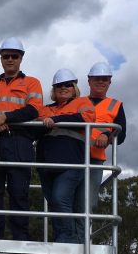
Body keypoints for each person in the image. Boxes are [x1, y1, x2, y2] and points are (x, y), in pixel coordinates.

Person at [0, 37, 43, 240]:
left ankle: (21, 239)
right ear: (1, 58)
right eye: (6, 56)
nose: (10, 59)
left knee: (19, 192)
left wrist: (6, 118)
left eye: (14, 56)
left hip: (19, 142)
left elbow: (34, 109)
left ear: (21, 58)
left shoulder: (31, 83)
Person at [36, 69, 96, 243]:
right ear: (54, 90)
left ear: (74, 87)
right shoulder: (45, 109)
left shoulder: (82, 102)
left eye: (68, 85)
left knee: (60, 199)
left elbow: (87, 118)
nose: (64, 88)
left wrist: (56, 120)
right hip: (46, 164)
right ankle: (60, 238)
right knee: (54, 203)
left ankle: (67, 240)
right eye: (59, 85)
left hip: (71, 164)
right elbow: (35, 125)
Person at [74, 61, 127, 239]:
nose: (101, 82)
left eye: (105, 79)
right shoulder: (77, 102)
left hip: (95, 160)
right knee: (64, 199)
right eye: (97, 79)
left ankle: (80, 242)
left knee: (86, 203)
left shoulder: (115, 105)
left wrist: (107, 134)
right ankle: (67, 238)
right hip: (71, 157)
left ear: (110, 82)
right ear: (89, 80)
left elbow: (122, 135)